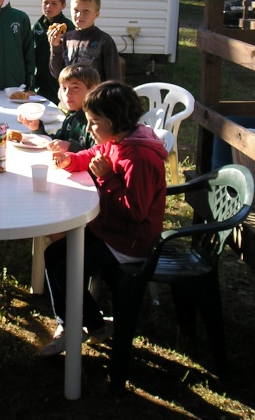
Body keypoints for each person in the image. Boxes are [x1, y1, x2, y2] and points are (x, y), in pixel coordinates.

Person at [40, 81, 168, 356]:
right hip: (109, 228)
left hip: (129, 243)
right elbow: (93, 154)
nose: (88, 129)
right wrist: (70, 160)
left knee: (66, 267)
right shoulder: (117, 141)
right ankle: (80, 324)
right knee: (54, 255)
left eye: (94, 122)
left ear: (115, 121)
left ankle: (87, 326)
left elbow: (136, 211)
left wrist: (107, 179)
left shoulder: (139, 156)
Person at [17, 64, 99, 154]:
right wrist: (37, 128)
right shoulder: (71, 118)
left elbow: (97, 155)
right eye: (64, 88)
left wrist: (70, 147)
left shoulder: (97, 122)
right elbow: (56, 142)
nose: (67, 93)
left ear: (93, 89)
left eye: (75, 87)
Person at [49, 0, 121, 85]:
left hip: (94, 97)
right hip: (70, 96)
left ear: (97, 14)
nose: (79, 15)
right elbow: (56, 73)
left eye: (86, 11)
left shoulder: (104, 40)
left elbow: (114, 79)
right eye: (76, 10)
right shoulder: (66, 38)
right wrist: (56, 47)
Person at [32, 0, 74, 104]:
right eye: (45, 2)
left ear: (63, 6)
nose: (49, 7)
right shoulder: (36, 27)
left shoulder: (69, 28)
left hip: (60, 84)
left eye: (54, 3)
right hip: (40, 84)